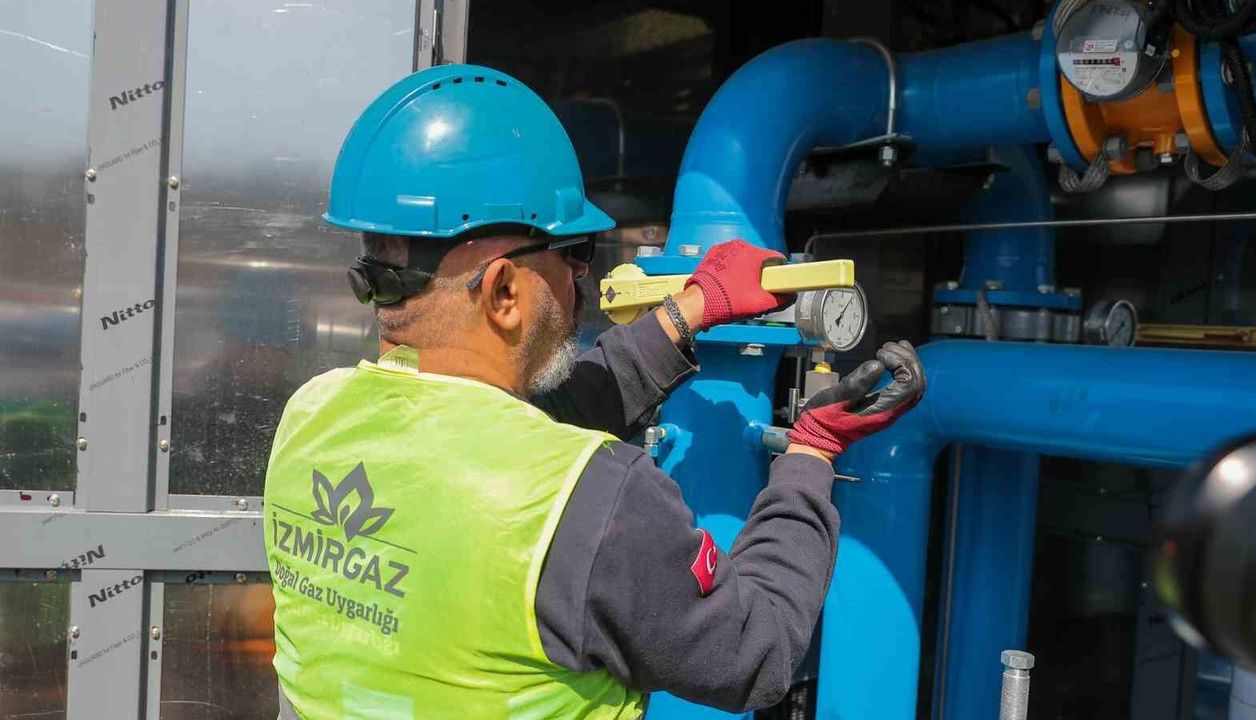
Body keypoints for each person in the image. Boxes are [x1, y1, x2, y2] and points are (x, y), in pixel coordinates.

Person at [263, 63, 926, 720]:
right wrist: (810, 453)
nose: (583, 275)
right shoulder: (596, 500)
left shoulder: (312, 418)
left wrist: (689, 311)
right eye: (573, 251)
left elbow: (507, 430)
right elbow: (756, 649)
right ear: (503, 291)